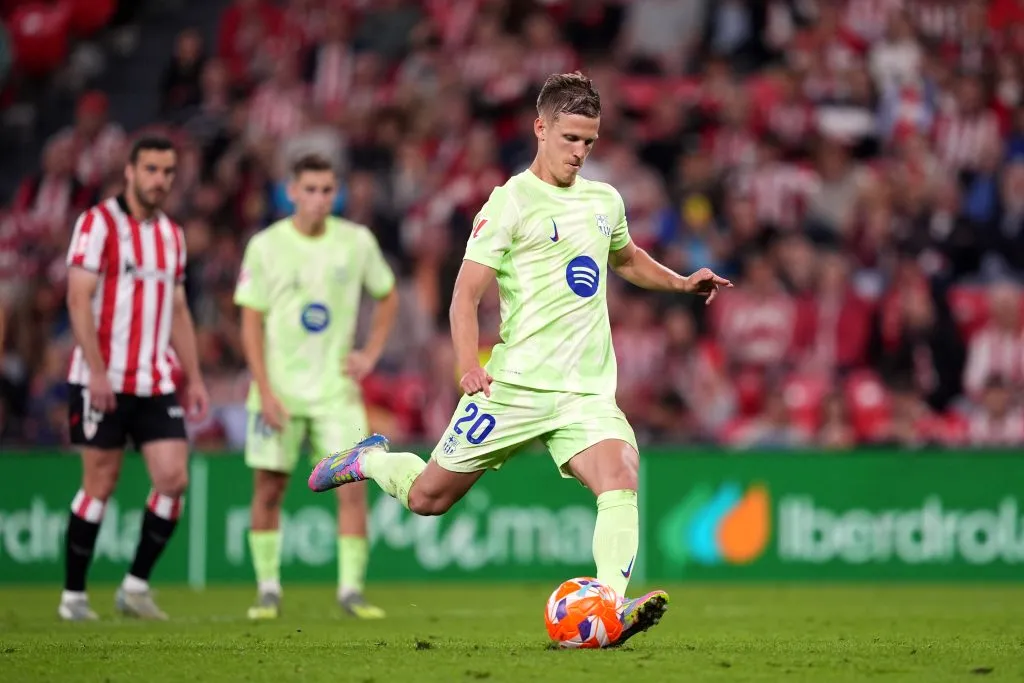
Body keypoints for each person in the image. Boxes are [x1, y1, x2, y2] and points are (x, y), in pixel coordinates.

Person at [308, 72, 730, 646]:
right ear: (541, 128)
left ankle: (610, 605)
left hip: (584, 393)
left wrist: (681, 283)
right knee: (428, 499)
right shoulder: (508, 204)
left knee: (620, 475)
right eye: (571, 139)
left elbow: (625, 258)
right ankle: (371, 460)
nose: (580, 152)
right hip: (511, 387)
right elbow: (465, 295)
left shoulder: (604, 201)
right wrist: (466, 366)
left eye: (590, 142)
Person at [235, 154, 399, 620]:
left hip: (336, 394)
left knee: (353, 488)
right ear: (291, 191)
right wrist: (263, 389)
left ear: (337, 193)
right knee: (269, 489)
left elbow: (387, 294)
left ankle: (351, 592)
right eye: (310, 189)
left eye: (328, 190)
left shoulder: (357, 242)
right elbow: (250, 322)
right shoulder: (265, 246)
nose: (319, 199)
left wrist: (369, 353)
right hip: (279, 393)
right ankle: (267, 589)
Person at [61, 136, 210, 621]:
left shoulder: (171, 234)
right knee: (99, 484)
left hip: (154, 379)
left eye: (167, 171)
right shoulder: (97, 224)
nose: (159, 180)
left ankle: (134, 586)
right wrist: (98, 372)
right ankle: (73, 597)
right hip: (100, 379)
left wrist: (194, 377)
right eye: (150, 169)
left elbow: (179, 310)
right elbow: (78, 299)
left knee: (173, 478)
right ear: (129, 171)